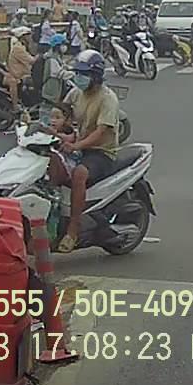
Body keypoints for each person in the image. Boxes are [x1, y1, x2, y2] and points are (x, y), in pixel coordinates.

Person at [58, 50, 121, 252]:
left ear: (95, 76)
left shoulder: (107, 99)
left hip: (100, 152)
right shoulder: (77, 93)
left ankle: (73, 230)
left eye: (83, 74)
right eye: (77, 73)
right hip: (78, 145)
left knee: (79, 174)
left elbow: (101, 133)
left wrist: (76, 145)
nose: (79, 77)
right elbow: (62, 111)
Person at [4, 25, 36, 106]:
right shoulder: (18, 48)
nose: (30, 37)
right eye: (28, 35)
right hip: (19, 75)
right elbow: (31, 60)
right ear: (23, 36)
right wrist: (41, 56)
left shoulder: (21, 46)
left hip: (22, 73)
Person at [40, 33, 74, 107]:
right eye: (63, 44)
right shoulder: (51, 59)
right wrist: (73, 74)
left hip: (56, 89)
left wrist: (71, 68)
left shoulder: (56, 56)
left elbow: (63, 65)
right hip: (51, 91)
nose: (65, 47)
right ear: (57, 46)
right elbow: (59, 73)